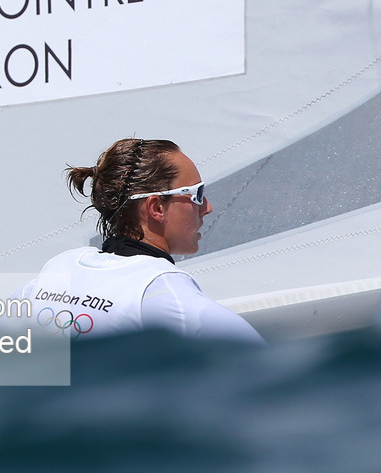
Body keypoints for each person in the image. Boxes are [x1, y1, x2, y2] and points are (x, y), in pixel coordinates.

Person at [21, 138, 263, 343]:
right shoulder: (165, 291)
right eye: (196, 194)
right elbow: (261, 363)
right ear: (156, 207)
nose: (207, 207)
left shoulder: (56, 271)